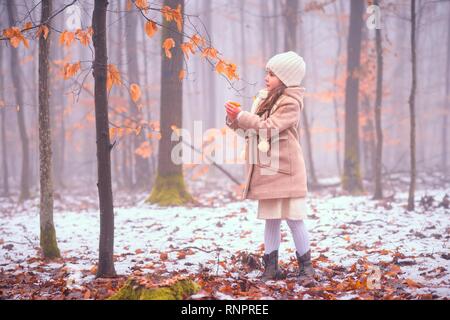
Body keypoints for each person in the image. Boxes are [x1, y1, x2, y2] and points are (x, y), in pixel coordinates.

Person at [224, 51, 315, 284]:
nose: (267, 77)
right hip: (269, 172)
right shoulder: (265, 99)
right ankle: (270, 268)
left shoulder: (290, 102)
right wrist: (235, 120)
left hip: (287, 171)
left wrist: (243, 116)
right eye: (267, 72)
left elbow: (268, 127)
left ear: (286, 78)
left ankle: (307, 269)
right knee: (271, 219)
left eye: (273, 74)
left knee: (294, 219)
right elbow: (251, 132)